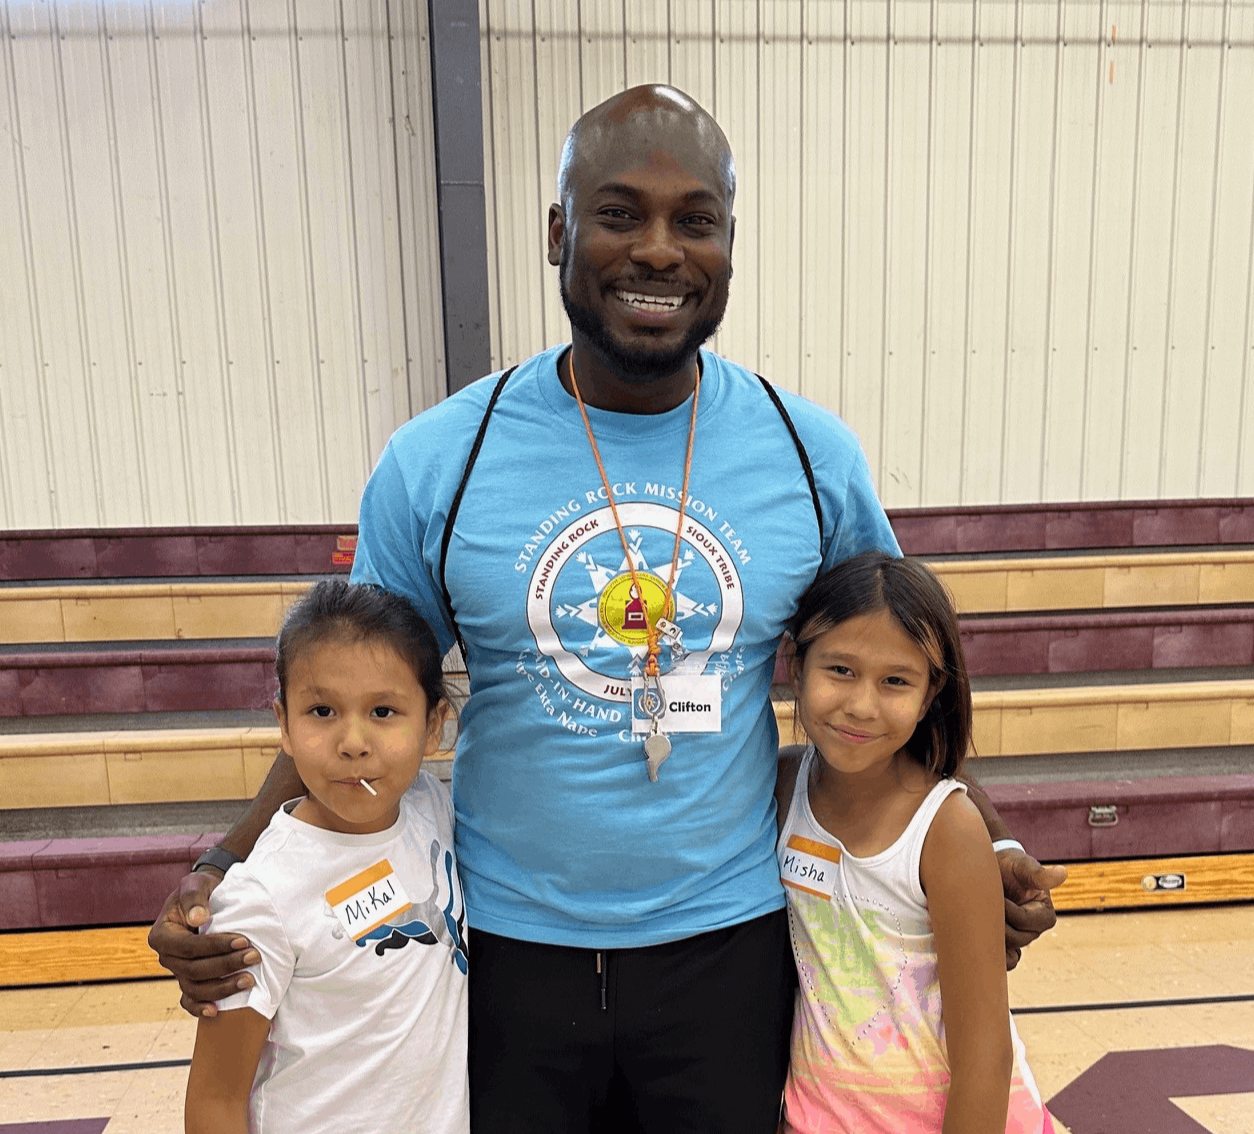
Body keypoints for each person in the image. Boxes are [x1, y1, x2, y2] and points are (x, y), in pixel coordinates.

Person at [151, 84, 1064, 1133]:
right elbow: (344, 708)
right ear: (558, 233)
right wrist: (225, 865)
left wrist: (988, 843)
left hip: (728, 949)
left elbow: (896, 683)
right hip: (503, 950)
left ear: (730, 242)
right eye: (620, 214)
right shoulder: (437, 459)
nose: (661, 251)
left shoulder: (812, 456)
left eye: (697, 220)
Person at [776, 552, 1052, 1133]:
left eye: (895, 681)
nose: (861, 705)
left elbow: (986, 1053)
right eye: (840, 671)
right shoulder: (782, 788)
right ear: (795, 666)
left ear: (930, 695)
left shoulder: (945, 827)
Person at [183, 581, 466, 1134]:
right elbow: (215, 1100)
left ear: (433, 725)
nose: (353, 741)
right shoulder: (261, 896)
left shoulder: (433, 810)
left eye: (383, 711)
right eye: (322, 711)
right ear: (283, 725)